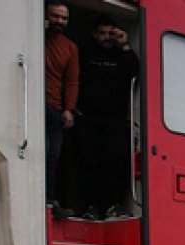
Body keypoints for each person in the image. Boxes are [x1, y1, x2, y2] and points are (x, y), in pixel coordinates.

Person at [75, 16, 138, 218]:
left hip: (116, 120)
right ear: (95, 34)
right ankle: (90, 207)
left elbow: (136, 73)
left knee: (116, 165)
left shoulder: (123, 56)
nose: (106, 37)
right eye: (102, 33)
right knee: (89, 165)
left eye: (110, 33)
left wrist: (125, 45)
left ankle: (114, 205)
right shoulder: (84, 54)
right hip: (89, 118)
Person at [44, 1, 79, 217]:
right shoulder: (36, 38)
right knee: (43, 153)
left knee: (53, 156)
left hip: (56, 108)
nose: (59, 21)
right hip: (36, 105)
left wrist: (69, 109)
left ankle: (50, 198)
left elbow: (72, 81)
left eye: (64, 18)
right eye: (55, 16)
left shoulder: (70, 47)